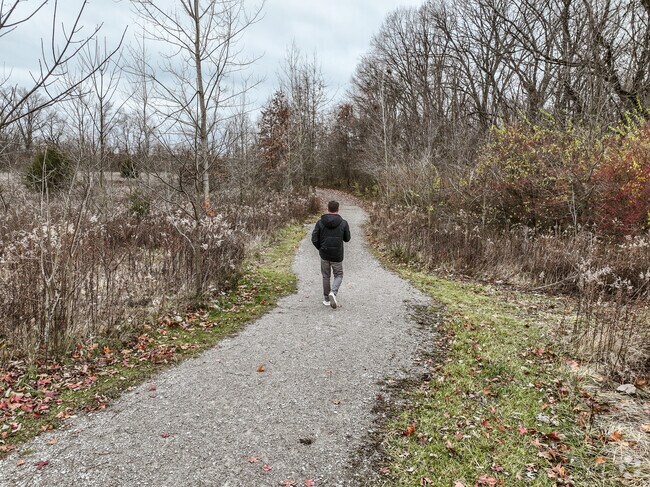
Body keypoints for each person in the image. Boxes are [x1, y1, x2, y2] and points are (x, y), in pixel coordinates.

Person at [311, 200, 351, 309]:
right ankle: (333, 292)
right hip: (337, 255)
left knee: (326, 275)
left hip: (324, 253)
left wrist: (320, 248)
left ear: (327, 208)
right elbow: (347, 239)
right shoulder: (343, 223)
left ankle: (326, 299)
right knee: (338, 275)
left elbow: (314, 238)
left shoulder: (320, 222)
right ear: (338, 209)